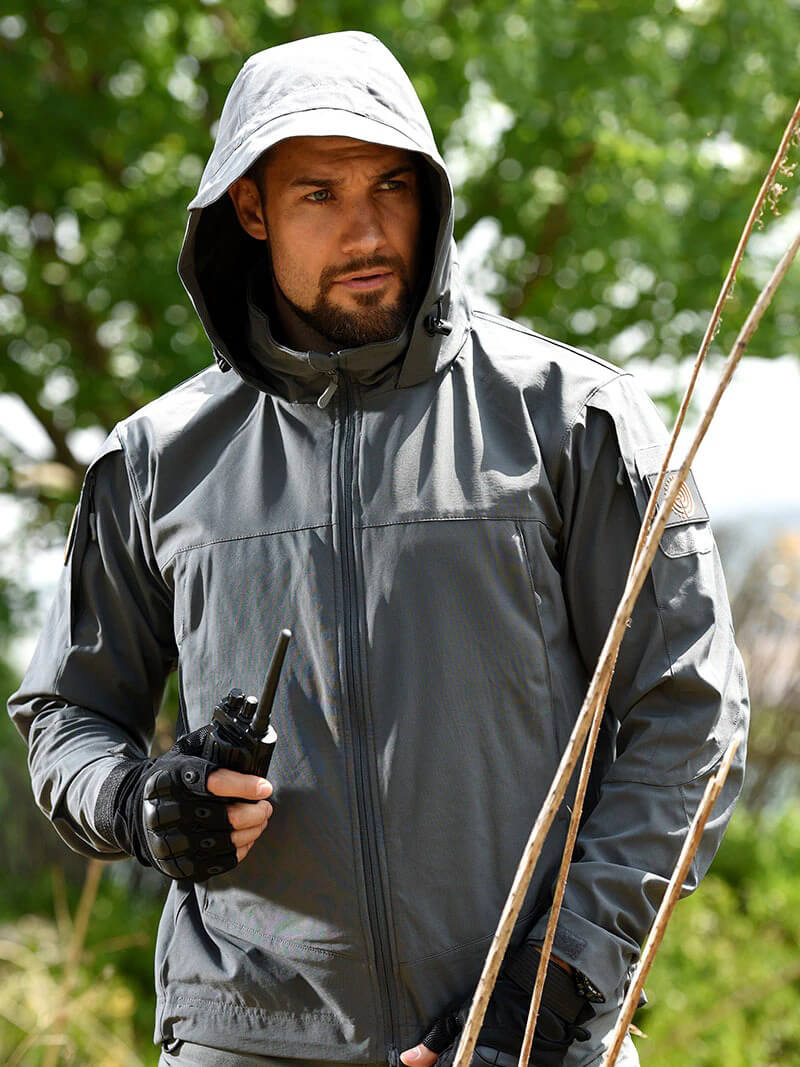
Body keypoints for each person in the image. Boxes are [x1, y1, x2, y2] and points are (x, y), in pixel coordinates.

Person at [9, 30, 748, 1067]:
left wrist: (555, 984)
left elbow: (690, 716)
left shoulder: (576, 420)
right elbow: (67, 714)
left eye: (391, 188)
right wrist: (140, 802)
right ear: (251, 208)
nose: (366, 232)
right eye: (318, 194)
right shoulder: (153, 460)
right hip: (246, 1037)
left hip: (530, 1032)